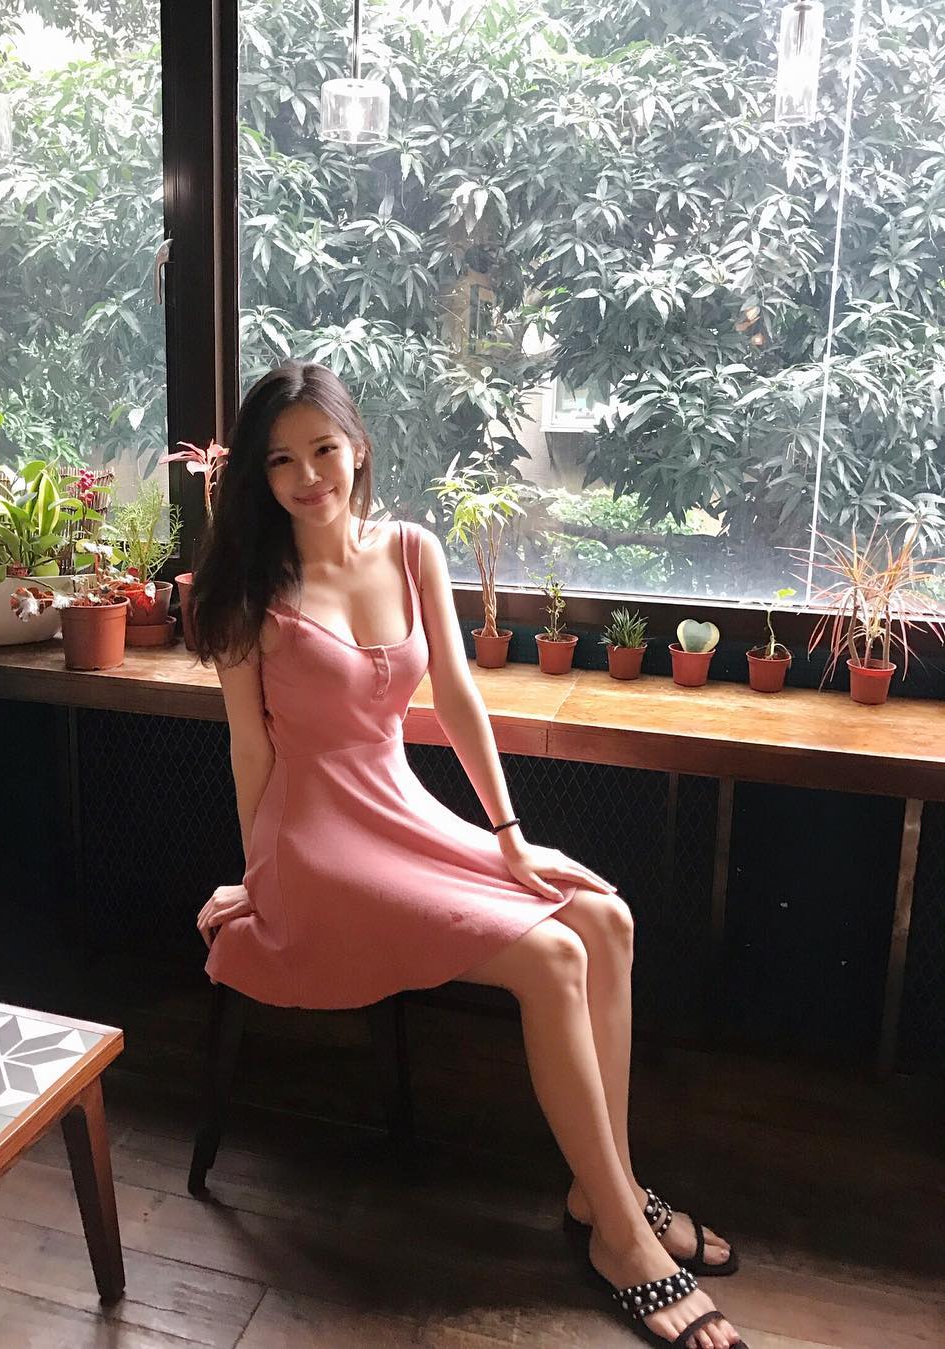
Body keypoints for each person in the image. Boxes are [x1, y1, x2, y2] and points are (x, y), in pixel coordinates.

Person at [190, 360, 746, 1349]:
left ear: (358, 446)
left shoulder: (410, 549)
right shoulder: (246, 591)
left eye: (323, 448)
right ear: (257, 475)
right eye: (279, 459)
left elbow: (455, 696)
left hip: (398, 805)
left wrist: (509, 834)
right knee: (553, 953)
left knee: (605, 918)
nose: (307, 475)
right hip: (311, 839)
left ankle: (602, 1186)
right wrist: (259, 878)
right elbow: (251, 751)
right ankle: (623, 1236)